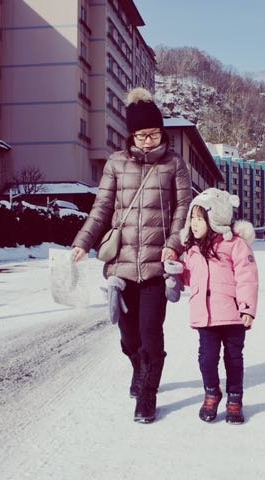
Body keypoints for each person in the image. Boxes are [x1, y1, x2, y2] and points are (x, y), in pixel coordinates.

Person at [72, 87, 192, 424]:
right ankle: (139, 368)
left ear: (161, 132)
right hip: (121, 268)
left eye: (153, 134)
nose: (148, 141)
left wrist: (174, 243)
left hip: (156, 267)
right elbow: (102, 209)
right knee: (129, 337)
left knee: (151, 334)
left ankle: (148, 394)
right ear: (132, 135)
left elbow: (184, 208)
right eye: (141, 135)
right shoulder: (116, 163)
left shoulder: (174, 164)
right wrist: (83, 242)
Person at [179, 188, 259, 424]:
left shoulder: (234, 244)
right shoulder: (191, 249)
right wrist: (175, 271)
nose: (194, 223)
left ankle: (235, 399)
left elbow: (247, 275)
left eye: (199, 218)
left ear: (214, 218)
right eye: (191, 218)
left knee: (233, 359)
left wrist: (246, 307)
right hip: (205, 317)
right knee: (206, 359)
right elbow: (190, 279)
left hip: (233, 315)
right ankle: (212, 392)